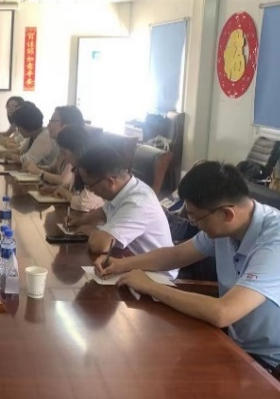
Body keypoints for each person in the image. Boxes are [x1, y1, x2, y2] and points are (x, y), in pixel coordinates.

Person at [96, 162, 280, 399]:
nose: (194, 224)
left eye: (195, 217)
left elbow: (223, 312)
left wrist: (150, 286)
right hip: (247, 352)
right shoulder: (230, 226)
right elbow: (177, 255)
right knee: (155, 373)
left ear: (227, 214)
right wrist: (122, 264)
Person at [69, 145, 176, 277]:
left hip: (157, 276)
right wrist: (79, 221)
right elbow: (103, 212)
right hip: (131, 262)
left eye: (90, 186)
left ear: (109, 182)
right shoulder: (125, 188)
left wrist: (90, 230)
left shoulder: (137, 203)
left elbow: (99, 245)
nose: (90, 190)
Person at [32, 124, 104, 212]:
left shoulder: (92, 168)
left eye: (64, 153)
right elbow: (72, 187)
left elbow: (83, 203)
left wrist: (64, 192)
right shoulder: (78, 166)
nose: (63, 157)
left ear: (77, 150)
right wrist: (54, 189)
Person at [25, 105, 86, 186]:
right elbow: (52, 168)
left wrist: (39, 172)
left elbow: (63, 181)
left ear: (66, 125)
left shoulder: (74, 149)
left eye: (52, 121)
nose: (48, 125)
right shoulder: (62, 145)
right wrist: (34, 167)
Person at [0, 102, 58, 167]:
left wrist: (8, 155)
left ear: (27, 125)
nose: (18, 130)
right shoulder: (33, 134)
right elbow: (20, 150)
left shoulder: (44, 137)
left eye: (18, 126)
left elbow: (27, 160)